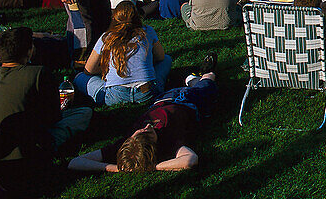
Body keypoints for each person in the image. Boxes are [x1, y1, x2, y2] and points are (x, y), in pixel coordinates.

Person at [0, 27, 92, 174]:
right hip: (28, 152)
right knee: (83, 113)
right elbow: (53, 118)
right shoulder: (38, 73)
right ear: (29, 51)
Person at [69, 55, 218, 173]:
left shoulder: (125, 145)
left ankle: (190, 80)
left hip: (161, 100)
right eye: (148, 134)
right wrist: (153, 167)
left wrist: (115, 168)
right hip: (189, 102)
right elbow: (190, 160)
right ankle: (199, 76)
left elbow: (75, 162)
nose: (146, 127)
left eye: (138, 133)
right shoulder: (169, 142)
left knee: (173, 77)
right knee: (208, 81)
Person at [74, 2, 172, 106]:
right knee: (167, 59)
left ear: (114, 18)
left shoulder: (107, 37)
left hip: (115, 95)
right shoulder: (148, 31)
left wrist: (107, 69)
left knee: (80, 77)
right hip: (146, 92)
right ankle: (157, 86)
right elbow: (161, 57)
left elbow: (88, 70)